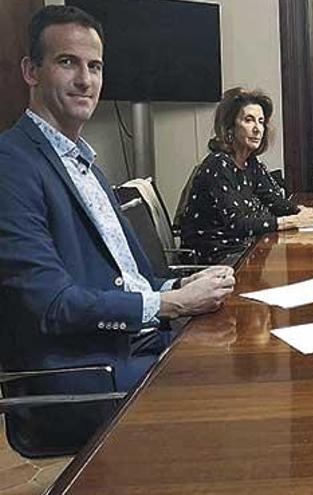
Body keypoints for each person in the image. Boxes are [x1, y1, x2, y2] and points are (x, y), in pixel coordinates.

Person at [0, 6, 235, 456]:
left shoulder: (82, 160)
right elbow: (51, 305)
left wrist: (182, 285)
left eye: (95, 66)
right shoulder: (12, 164)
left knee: (244, 352)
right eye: (67, 62)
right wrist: (168, 303)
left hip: (136, 343)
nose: (85, 80)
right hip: (84, 374)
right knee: (230, 396)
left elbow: (131, 280)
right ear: (31, 71)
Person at [179, 87, 313, 264]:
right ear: (230, 127)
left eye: (261, 122)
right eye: (248, 120)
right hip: (216, 261)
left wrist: (307, 212)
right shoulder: (218, 165)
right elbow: (237, 224)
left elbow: (274, 202)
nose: (257, 129)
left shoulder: (251, 163)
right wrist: (292, 221)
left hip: (245, 251)